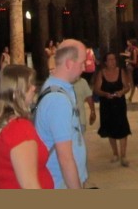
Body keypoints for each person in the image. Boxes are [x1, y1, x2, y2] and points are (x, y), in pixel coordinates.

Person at [0, 64, 54, 189]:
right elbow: (30, 185)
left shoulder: (2, 121)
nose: (34, 88)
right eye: (29, 85)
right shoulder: (19, 129)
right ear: (16, 92)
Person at [34, 39, 88, 189]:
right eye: (82, 62)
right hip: (60, 183)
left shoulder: (59, 88)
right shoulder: (58, 100)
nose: (84, 67)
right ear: (70, 63)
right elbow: (64, 158)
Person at [93, 52, 132, 167]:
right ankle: (115, 153)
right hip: (107, 104)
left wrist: (121, 92)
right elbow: (96, 89)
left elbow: (127, 87)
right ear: (105, 62)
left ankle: (123, 155)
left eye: (114, 59)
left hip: (119, 103)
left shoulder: (121, 71)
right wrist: (105, 94)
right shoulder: (102, 73)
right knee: (110, 127)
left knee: (122, 126)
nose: (112, 62)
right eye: (110, 60)